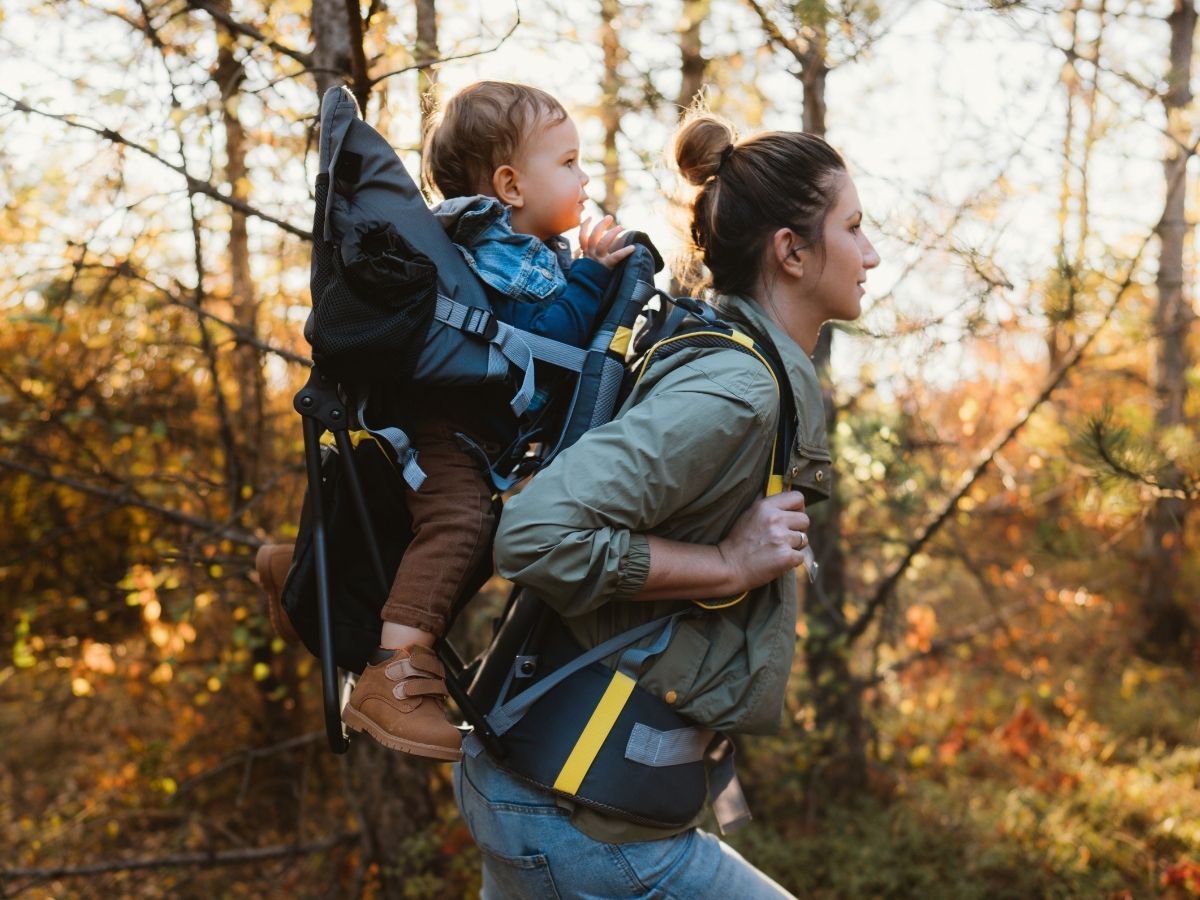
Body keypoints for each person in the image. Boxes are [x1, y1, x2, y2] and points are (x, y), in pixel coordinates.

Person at [454, 111, 880, 898]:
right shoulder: (736, 389)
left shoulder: (751, 370)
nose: (872, 253)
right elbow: (535, 533)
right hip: (578, 823)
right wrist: (724, 563)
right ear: (790, 251)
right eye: (853, 228)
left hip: (553, 794)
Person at [336, 81, 637, 762]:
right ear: (511, 185)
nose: (584, 176)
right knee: (464, 522)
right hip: (443, 432)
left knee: (463, 528)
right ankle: (394, 682)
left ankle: (297, 568)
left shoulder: (513, 247)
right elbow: (535, 339)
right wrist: (592, 275)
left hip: (450, 429)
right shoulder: (503, 250)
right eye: (566, 162)